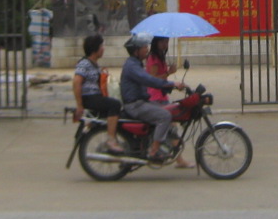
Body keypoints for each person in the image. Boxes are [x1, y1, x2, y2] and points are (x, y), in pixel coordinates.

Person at [120, 34, 191, 167]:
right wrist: (172, 83)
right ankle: (154, 151)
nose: (146, 49)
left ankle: (160, 146)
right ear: (136, 51)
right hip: (136, 104)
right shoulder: (132, 66)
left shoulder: (136, 63)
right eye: (143, 47)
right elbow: (150, 79)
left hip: (143, 101)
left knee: (167, 113)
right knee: (165, 116)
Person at [72, 33, 124, 153]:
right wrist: (79, 105)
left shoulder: (94, 64)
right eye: (101, 46)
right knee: (114, 105)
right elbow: (76, 83)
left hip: (95, 96)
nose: (103, 48)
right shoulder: (84, 64)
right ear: (95, 49)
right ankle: (111, 140)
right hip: (89, 97)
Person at [145, 35, 176, 102]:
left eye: (166, 42)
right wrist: (169, 72)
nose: (165, 44)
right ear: (156, 42)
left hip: (162, 93)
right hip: (155, 95)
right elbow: (153, 78)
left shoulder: (160, 57)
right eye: (162, 42)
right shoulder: (153, 58)